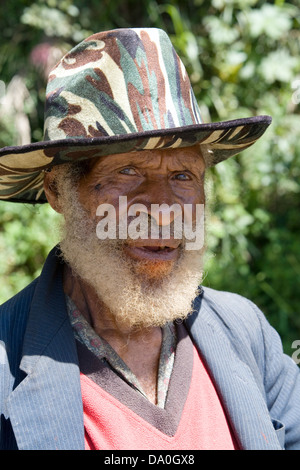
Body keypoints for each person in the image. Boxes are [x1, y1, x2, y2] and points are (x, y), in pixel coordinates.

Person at [0, 27, 299, 451]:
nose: (162, 209)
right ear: (57, 191)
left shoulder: (246, 332)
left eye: (182, 176)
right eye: (127, 172)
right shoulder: (6, 361)